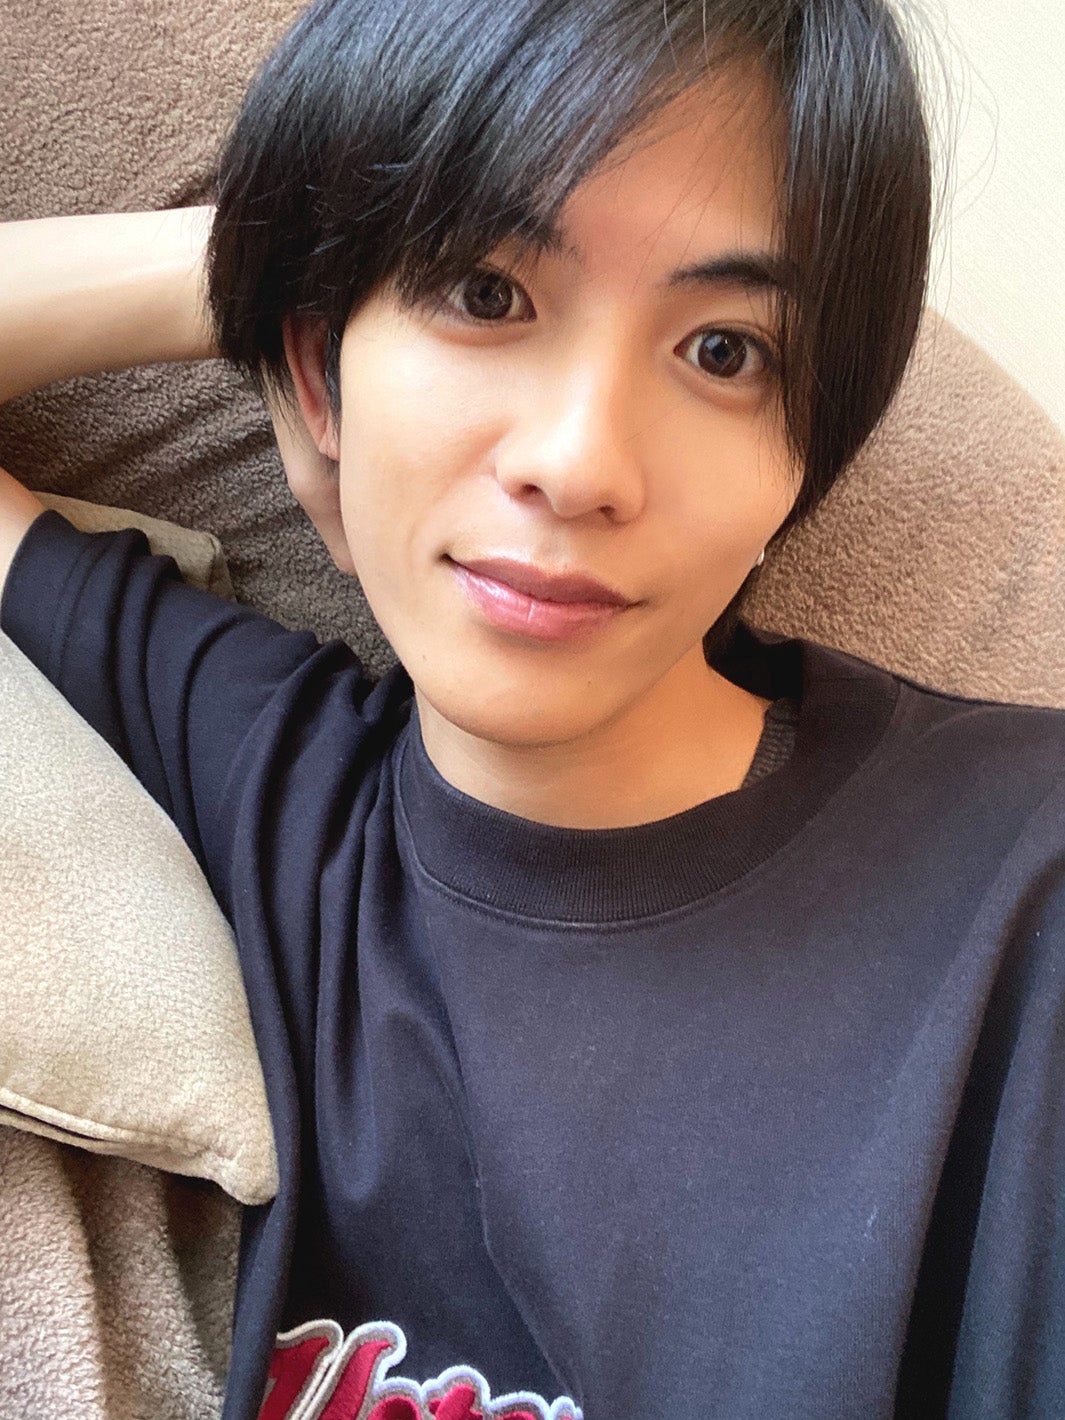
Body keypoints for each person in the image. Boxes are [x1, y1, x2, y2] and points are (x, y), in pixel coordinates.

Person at [0, 0, 1063, 1416]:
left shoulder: (1022, 880)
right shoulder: (274, 778)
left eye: (725, 350)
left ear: (798, 467)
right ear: (318, 369)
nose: (579, 463)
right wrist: (274, 275)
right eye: (482, 291)